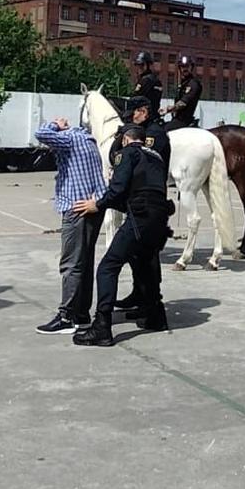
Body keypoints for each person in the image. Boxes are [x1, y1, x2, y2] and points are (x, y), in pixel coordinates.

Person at [70, 123, 172, 344]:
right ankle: (156, 315)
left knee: (108, 267)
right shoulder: (156, 156)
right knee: (145, 262)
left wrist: (97, 204)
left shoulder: (127, 153)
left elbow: (118, 189)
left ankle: (102, 327)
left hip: (141, 217)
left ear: (126, 139)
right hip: (160, 219)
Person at [33, 115, 106, 334]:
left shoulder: (70, 139)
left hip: (76, 208)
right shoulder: (88, 140)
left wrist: (57, 124)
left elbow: (42, 134)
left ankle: (67, 316)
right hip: (92, 206)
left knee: (70, 264)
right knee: (84, 262)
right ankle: (81, 314)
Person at [168, 55, 204, 129]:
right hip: (177, 119)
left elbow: (183, 103)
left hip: (184, 121)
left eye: (187, 66)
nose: (185, 69)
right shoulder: (182, 84)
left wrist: (168, 109)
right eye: (182, 66)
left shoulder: (193, 84)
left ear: (191, 67)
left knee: (162, 133)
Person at [133, 51, 164, 122]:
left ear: (148, 65)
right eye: (138, 65)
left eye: (141, 65)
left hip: (143, 117)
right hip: (153, 116)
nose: (139, 68)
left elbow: (135, 99)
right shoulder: (155, 79)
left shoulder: (146, 80)